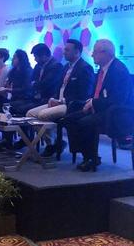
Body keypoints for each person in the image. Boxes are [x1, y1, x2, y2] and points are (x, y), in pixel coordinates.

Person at [64, 39, 131, 172]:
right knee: (70, 119)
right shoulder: (102, 69)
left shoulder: (118, 71)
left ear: (105, 53)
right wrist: (91, 102)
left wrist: (93, 103)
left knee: (85, 122)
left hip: (116, 113)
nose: (92, 54)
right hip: (102, 108)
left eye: (95, 52)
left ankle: (92, 158)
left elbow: (118, 99)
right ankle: (86, 155)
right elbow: (98, 93)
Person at [27, 39, 94, 158]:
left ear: (77, 52)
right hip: (59, 102)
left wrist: (62, 101)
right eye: (64, 49)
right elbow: (59, 87)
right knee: (30, 114)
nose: (64, 52)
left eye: (67, 50)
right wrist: (53, 98)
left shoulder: (85, 68)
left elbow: (84, 94)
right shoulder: (66, 67)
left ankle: (52, 144)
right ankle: (53, 143)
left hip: (72, 105)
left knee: (42, 115)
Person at [11, 43, 63, 118]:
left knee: (20, 109)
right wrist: (35, 84)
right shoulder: (38, 66)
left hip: (47, 99)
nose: (35, 60)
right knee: (12, 106)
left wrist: (34, 84)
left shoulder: (57, 66)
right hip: (34, 98)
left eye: (36, 57)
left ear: (44, 56)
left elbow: (45, 84)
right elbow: (31, 81)